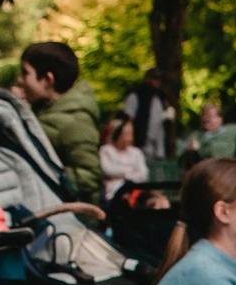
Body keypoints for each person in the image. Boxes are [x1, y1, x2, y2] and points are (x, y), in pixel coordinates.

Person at [17, 42, 104, 202]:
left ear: (48, 79)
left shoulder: (75, 121)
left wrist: (41, 174)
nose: (20, 80)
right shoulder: (44, 110)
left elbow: (88, 176)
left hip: (75, 217)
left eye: (25, 73)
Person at [121, 69, 173, 160]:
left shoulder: (161, 98)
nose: (158, 82)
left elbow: (165, 121)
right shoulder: (136, 95)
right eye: (155, 78)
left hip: (157, 146)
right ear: (147, 79)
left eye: (160, 80)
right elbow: (128, 120)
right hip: (139, 144)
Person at [99, 115, 149, 200]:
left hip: (136, 193)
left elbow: (143, 175)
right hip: (113, 194)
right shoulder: (105, 150)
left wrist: (122, 175)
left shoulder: (136, 152)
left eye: (131, 133)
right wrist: (132, 172)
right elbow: (108, 170)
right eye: (126, 134)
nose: (130, 137)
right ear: (117, 134)